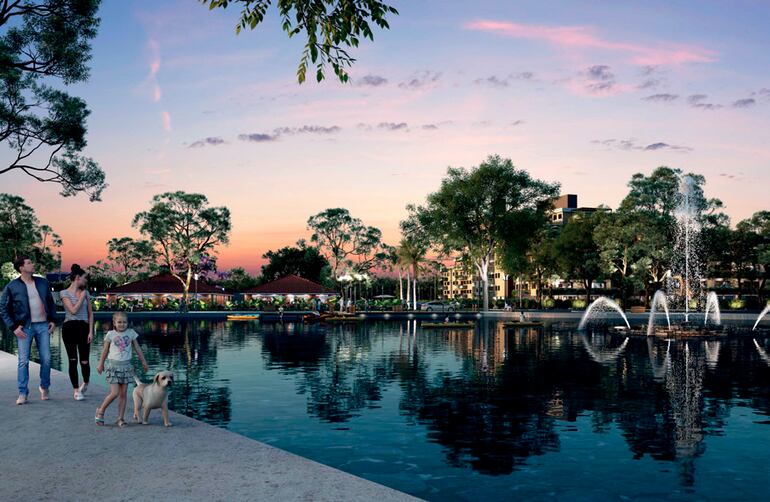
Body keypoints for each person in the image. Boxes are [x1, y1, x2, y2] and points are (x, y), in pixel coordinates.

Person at [0, 256, 56, 405]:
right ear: (21, 268)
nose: (33, 264)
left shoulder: (42, 282)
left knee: (46, 359)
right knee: (23, 361)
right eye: (29, 263)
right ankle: (23, 392)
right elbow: (3, 307)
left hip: (43, 325)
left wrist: (52, 320)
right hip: (24, 327)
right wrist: (13, 327)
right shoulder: (12, 286)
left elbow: (50, 302)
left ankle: (44, 386)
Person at [95, 312, 148, 428]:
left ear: (127, 323)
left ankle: (120, 418)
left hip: (126, 367)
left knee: (123, 394)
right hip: (113, 367)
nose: (122, 324)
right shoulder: (110, 334)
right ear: (114, 323)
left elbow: (138, 348)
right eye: (119, 322)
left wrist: (143, 362)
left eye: (124, 322)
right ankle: (101, 411)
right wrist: (100, 364)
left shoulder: (131, 333)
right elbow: (104, 350)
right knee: (114, 393)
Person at [59, 264, 93, 401]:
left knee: (84, 361)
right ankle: (75, 390)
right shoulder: (64, 293)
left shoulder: (86, 293)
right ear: (77, 278)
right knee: (72, 360)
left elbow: (90, 314)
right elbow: (72, 311)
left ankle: (85, 382)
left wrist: (91, 331)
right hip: (69, 329)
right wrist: (82, 297)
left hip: (84, 329)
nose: (86, 281)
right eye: (85, 278)